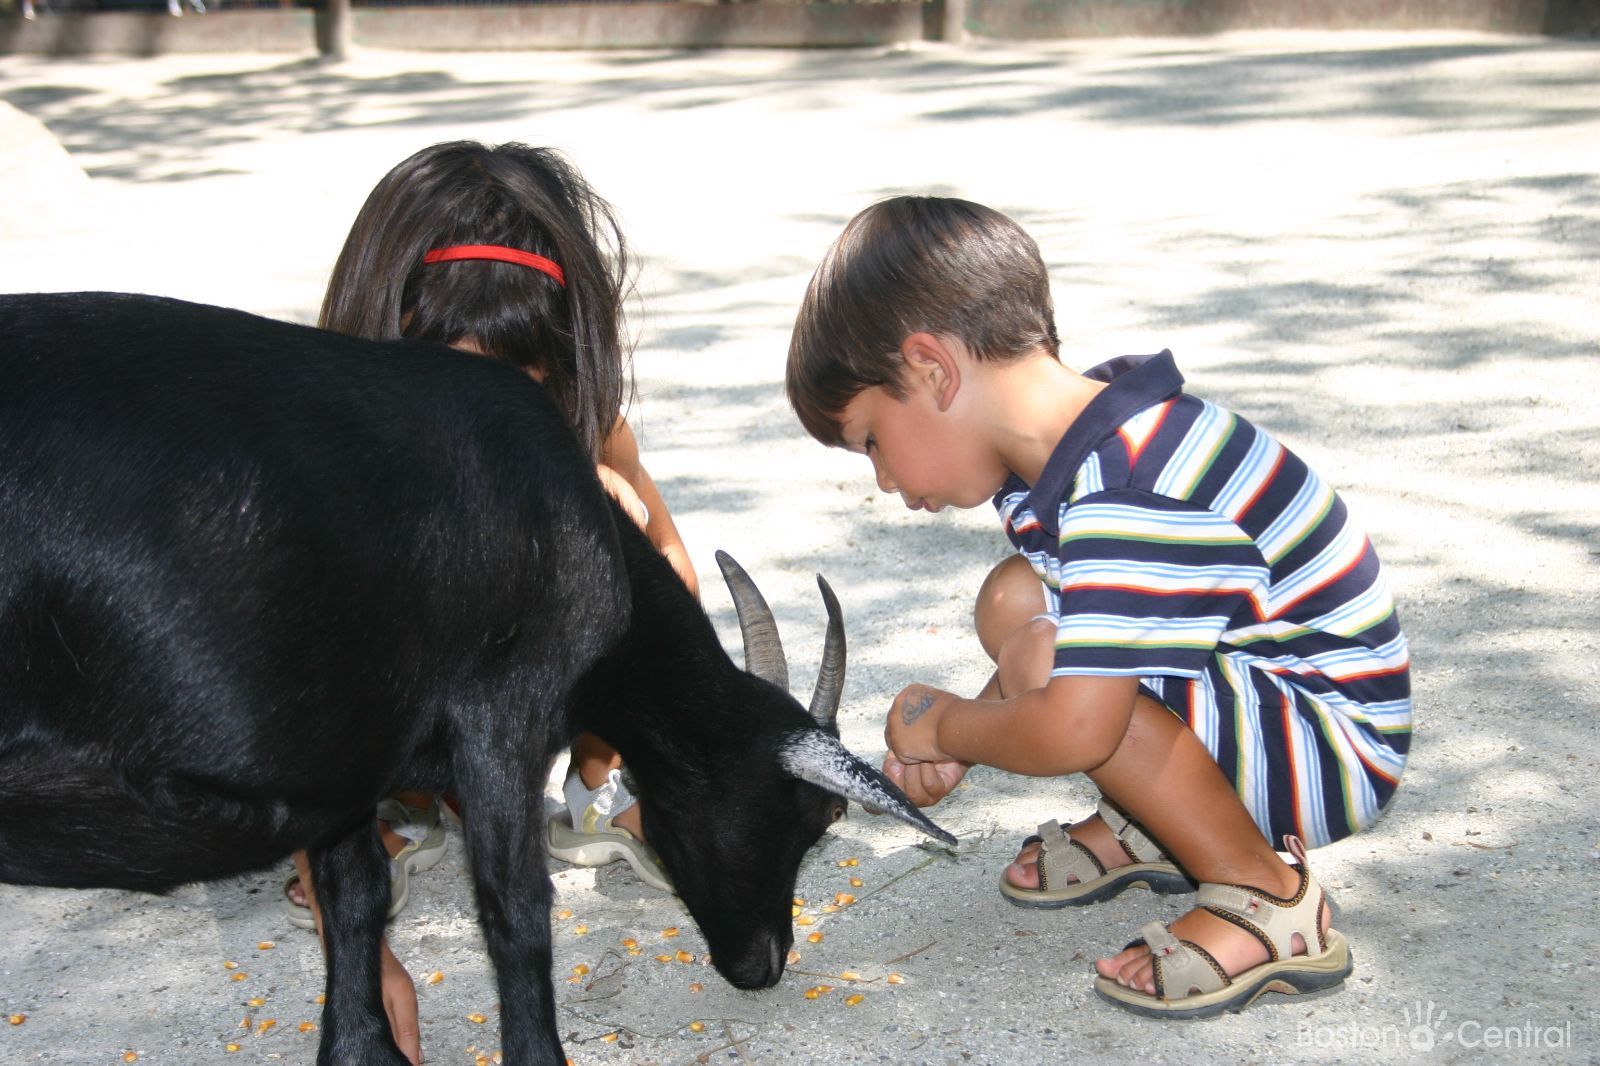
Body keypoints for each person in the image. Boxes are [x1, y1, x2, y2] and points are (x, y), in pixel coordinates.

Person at [784, 195, 1411, 1018]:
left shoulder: (1133, 487)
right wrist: (969, 740)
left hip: (1325, 750)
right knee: (1017, 596)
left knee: (1052, 662)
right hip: (1261, 705)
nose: (884, 480)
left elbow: (1075, 725)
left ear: (932, 369)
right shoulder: (1079, 457)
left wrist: (950, 725)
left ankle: (1265, 895)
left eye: (871, 439)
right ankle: (1158, 820)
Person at [287, 141, 697, 1061]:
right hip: (379, 705)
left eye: (517, 397)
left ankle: (596, 792)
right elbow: (295, 691)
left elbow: (672, 567)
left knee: (621, 520)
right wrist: (358, 955)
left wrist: (639, 740)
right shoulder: (325, 455)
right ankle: (392, 808)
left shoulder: (586, 425)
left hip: (498, 704)